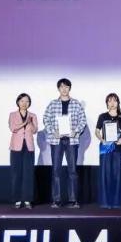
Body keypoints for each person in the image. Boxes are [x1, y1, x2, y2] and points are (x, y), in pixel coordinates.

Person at [42, 78, 88, 208]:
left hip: (71, 140)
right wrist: (53, 131)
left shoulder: (76, 104)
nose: (64, 89)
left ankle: (73, 200)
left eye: (66, 87)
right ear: (58, 88)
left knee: (72, 170)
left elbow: (83, 120)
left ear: (69, 88)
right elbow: (46, 119)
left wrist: (76, 131)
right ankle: (56, 200)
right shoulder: (52, 104)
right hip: (56, 140)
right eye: (62, 87)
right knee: (56, 170)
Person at [94, 93, 121, 209]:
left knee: (118, 174)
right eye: (109, 101)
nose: (112, 103)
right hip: (105, 148)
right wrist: (102, 139)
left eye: (114, 100)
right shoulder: (102, 116)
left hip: (118, 148)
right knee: (105, 174)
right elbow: (97, 131)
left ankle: (117, 203)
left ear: (118, 103)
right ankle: (105, 202)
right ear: (107, 103)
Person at [8, 93, 38, 209]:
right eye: (22, 101)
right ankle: (17, 199)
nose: (24, 103)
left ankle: (27, 200)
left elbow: (35, 130)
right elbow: (13, 128)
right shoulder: (12, 115)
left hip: (29, 147)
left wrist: (31, 124)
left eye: (27, 101)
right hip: (16, 147)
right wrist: (25, 123)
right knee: (16, 173)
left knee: (28, 174)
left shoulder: (33, 115)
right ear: (18, 102)